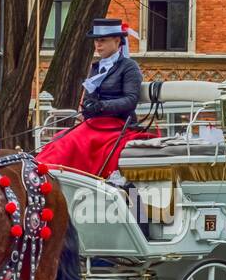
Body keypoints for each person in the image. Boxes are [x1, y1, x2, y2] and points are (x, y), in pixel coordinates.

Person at [35, 17, 148, 178]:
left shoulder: (129, 67)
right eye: (96, 41)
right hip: (96, 123)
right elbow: (89, 96)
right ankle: (42, 172)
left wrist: (101, 106)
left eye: (102, 40)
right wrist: (88, 106)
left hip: (118, 125)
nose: (98, 45)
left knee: (72, 142)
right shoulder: (96, 67)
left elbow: (130, 100)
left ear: (117, 41)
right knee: (59, 139)